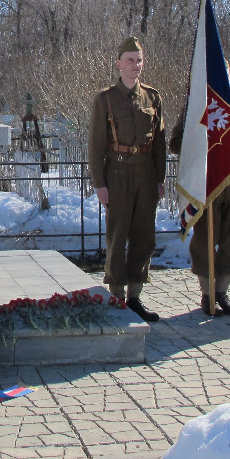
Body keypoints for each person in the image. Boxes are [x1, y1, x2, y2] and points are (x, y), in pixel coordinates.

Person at [168, 68, 230, 316]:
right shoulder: (195, 106)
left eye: (224, 73)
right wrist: (197, 137)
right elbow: (175, 143)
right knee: (204, 240)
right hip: (205, 185)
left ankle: (222, 291)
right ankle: (207, 294)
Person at [88, 36, 167, 323]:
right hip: (118, 172)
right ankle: (117, 293)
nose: (136, 65)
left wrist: (160, 178)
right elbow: (96, 144)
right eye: (130, 60)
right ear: (119, 63)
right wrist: (100, 183)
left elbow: (159, 143)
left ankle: (135, 295)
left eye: (139, 60)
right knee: (118, 234)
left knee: (144, 236)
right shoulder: (106, 98)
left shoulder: (152, 97)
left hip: (145, 173)